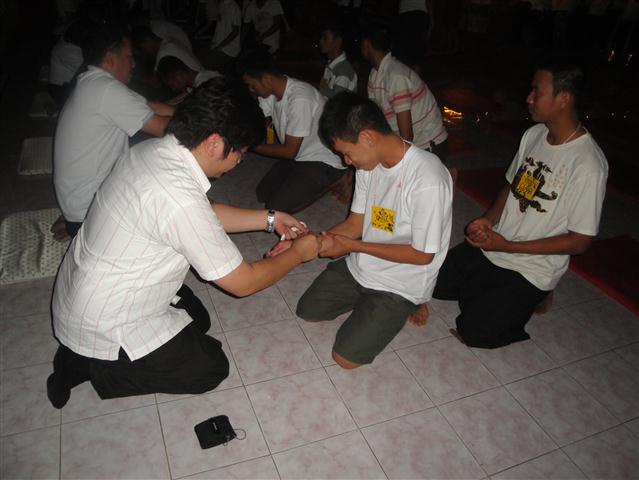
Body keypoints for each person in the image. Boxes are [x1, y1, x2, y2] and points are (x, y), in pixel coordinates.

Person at [47, 78, 321, 409]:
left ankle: (87, 354)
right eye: (241, 152)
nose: (240, 161)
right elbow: (243, 282)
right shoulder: (178, 196)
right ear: (215, 143)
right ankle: (87, 368)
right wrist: (299, 253)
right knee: (210, 367)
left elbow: (205, 213)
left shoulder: (151, 151)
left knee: (198, 321)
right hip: (103, 318)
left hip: (84, 292)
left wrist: (270, 218)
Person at [430, 59, 608, 348]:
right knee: (432, 282)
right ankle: (495, 294)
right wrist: (488, 221)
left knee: (475, 332)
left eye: (537, 91)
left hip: (531, 266)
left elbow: (580, 242)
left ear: (564, 99)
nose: (528, 98)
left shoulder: (588, 164)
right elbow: (514, 189)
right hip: (498, 245)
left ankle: (536, 294)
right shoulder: (534, 135)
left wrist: (508, 246)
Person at [275, 92, 453, 369]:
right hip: (363, 264)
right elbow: (355, 224)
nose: (346, 161)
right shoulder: (369, 164)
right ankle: (368, 303)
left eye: (346, 152)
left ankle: (412, 301)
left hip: (401, 281)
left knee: (345, 359)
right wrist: (306, 243)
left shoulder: (427, 178)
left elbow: (422, 256)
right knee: (307, 311)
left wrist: (352, 247)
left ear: (368, 137)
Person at [52, 22, 173, 241]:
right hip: (90, 211)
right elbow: (163, 128)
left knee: (144, 161)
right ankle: (83, 227)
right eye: (129, 57)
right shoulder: (106, 89)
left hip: (79, 204)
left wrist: (196, 109)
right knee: (167, 188)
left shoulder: (92, 81)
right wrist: (207, 121)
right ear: (110, 58)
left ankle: (78, 223)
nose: (133, 64)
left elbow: (152, 106)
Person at [237, 49, 347, 213]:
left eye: (253, 85)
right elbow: (261, 119)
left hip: (323, 160)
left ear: (266, 79)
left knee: (276, 208)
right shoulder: (271, 92)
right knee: (262, 193)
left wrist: (252, 145)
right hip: (300, 154)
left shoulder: (300, 98)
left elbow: (289, 151)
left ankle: (336, 179)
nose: (252, 90)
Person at [361, 23, 448, 162]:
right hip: (409, 142)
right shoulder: (375, 75)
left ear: (366, 45)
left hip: (427, 144)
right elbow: (375, 119)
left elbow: (407, 136)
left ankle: (443, 171)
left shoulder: (396, 76)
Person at [318, 21, 358, 99]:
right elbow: (322, 92)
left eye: (325, 38)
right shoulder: (331, 66)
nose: (321, 41)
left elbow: (337, 103)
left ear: (338, 41)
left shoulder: (344, 71)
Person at [203, 0, 242, 71]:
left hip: (229, 48)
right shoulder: (222, 4)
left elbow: (235, 32)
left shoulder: (234, 7)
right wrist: (214, 41)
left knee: (208, 66)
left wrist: (221, 45)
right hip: (219, 45)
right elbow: (219, 25)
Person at [156, 56, 221, 95]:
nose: (173, 89)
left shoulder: (204, 85)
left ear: (179, 75)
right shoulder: (206, 75)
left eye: (172, 85)